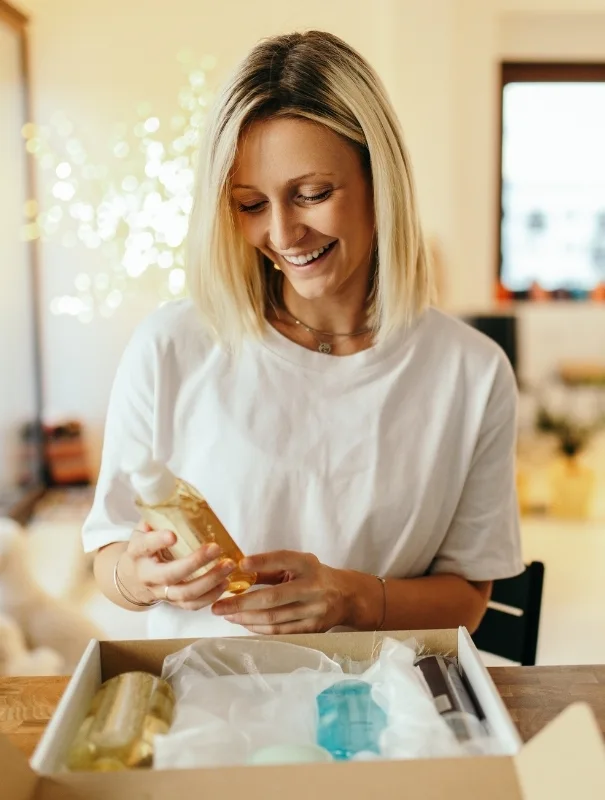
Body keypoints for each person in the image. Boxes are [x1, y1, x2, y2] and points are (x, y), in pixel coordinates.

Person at [85, 30, 523, 640]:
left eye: (312, 194)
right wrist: (141, 580)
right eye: (250, 205)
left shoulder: (471, 373)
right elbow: (108, 554)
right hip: (209, 705)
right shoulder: (171, 345)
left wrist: (353, 599)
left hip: (381, 711)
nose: (285, 234)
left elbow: (470, 598)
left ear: (380, 182)